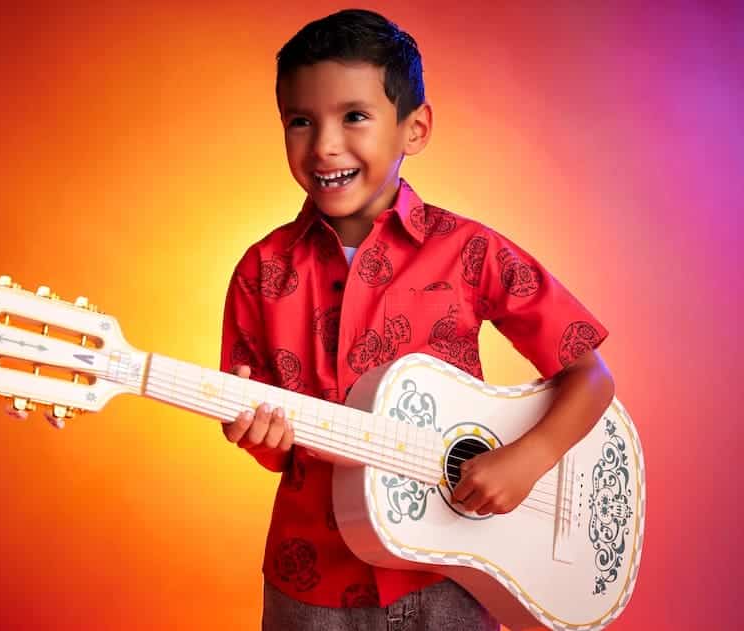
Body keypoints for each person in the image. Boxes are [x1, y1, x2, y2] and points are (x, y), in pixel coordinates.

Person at [219, 8, 616, 631]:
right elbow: (271, 445)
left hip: (456, 574)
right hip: (313, 585)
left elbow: (591, 376)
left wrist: (529, 458)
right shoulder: (260, 271)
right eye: (300, 120)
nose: (323, 145)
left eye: (354, 116)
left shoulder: (470, 251)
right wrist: (257, 436)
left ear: (415, 128)